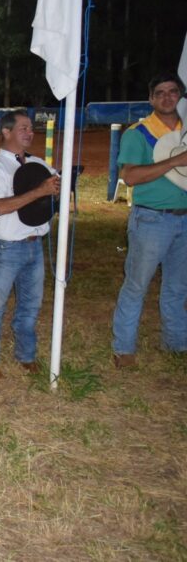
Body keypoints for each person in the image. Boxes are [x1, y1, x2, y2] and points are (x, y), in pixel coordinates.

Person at [111, 73, 187, 369]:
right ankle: (124, 348)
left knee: (178, 287)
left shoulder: (185, 130)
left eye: (173, 92)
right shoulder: (138, 134)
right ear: (151, 99)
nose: (168, 97)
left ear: (180, 96)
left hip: (183, 219)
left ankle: (177, 342)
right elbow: (129, 176)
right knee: (136, 284)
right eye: (161, 93)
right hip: (151, 219)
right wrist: (173, 161)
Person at [0, 110, 59, 379]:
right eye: (23, 127)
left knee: (31, 306)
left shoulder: (39, 164)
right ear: (6, 132)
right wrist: (39, 191)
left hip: (35, 245)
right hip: (7, 247)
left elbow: (52, 196)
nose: (29, 132)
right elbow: (0, 207)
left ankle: (26, 355)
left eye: (31, 128)